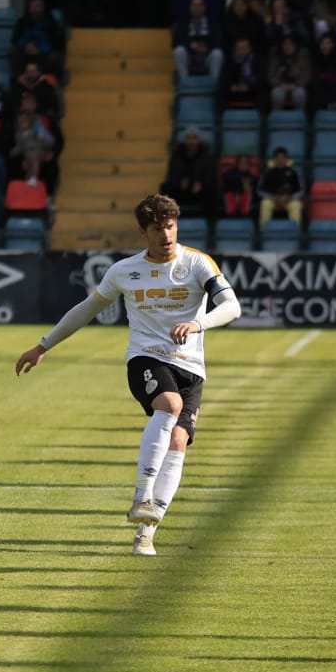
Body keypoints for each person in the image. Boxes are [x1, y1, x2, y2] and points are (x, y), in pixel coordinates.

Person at [15, 193, 242, 557]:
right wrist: (43, 346)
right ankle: (142, 493)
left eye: (170, 226)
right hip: (145, 358)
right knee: (168, 404)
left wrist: (198, 323)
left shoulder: (198, 264)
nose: (165, 234)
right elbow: (86, 310)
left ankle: (147, 531)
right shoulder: (124, 271)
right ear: (143, 232)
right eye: (157, 228)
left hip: (191, 368)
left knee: (178, 442)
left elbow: (232, 307)